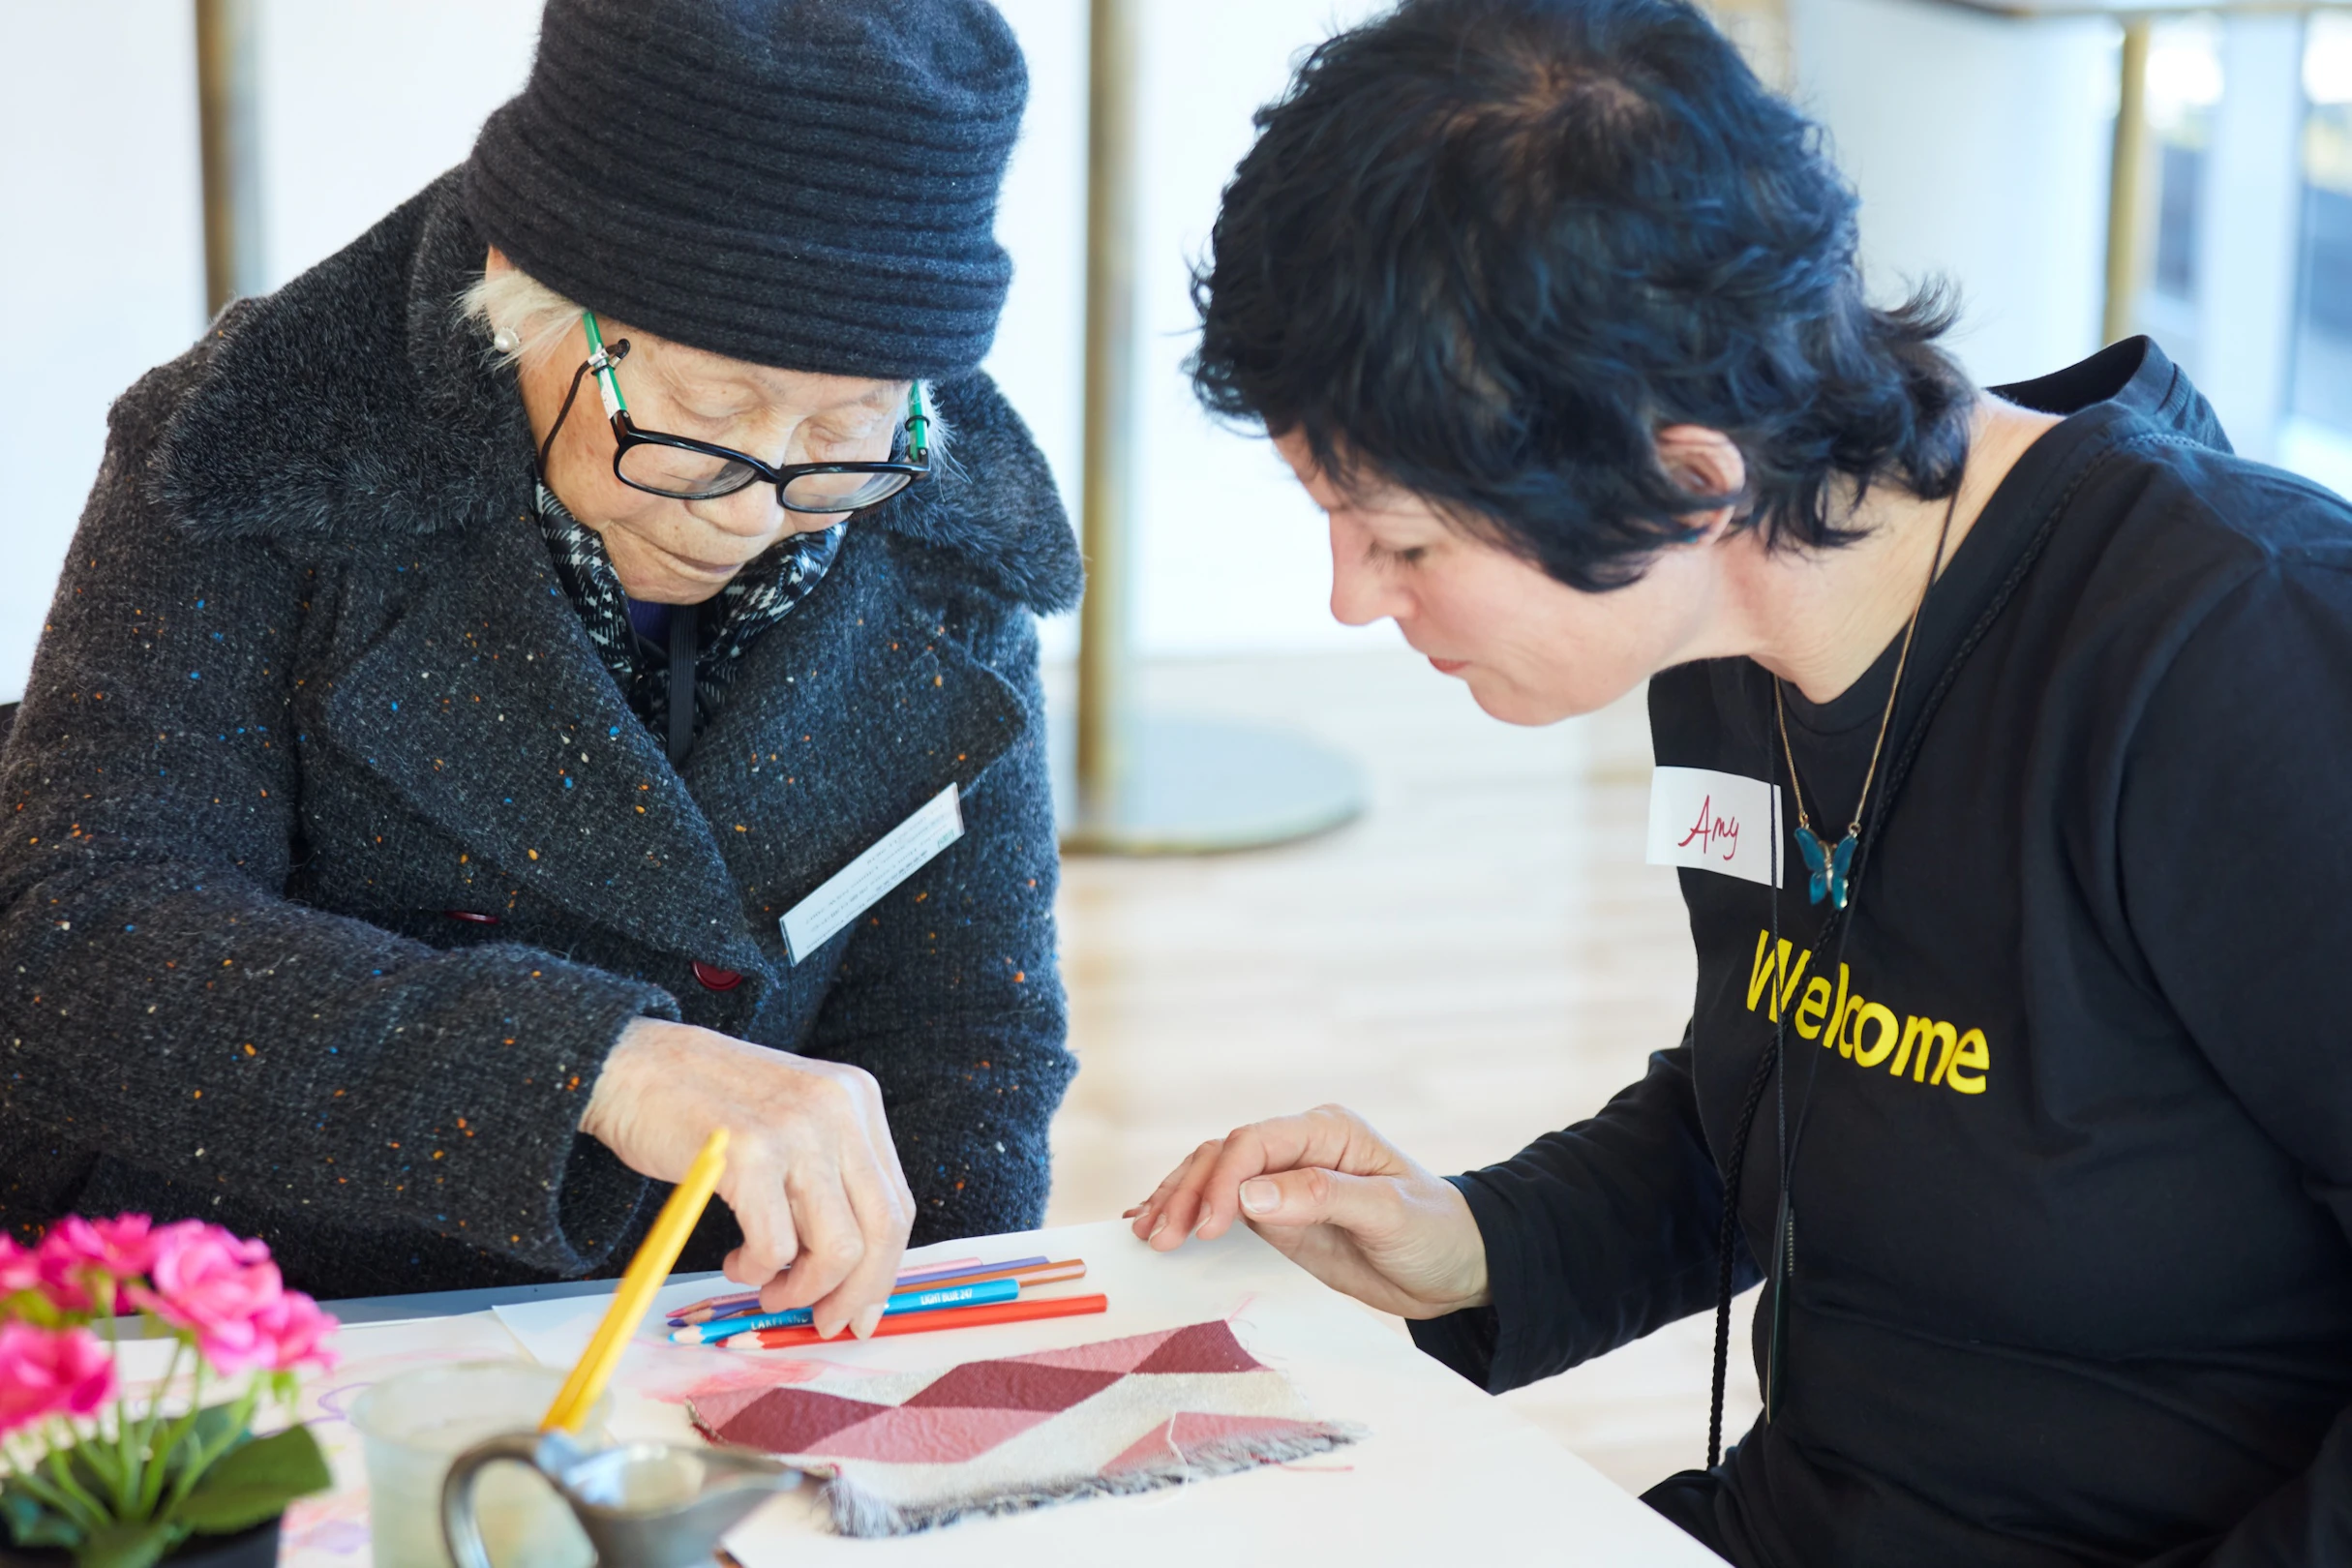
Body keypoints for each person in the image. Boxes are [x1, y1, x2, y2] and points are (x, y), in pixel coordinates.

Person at [1129, 1, 2352, 1563]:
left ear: (1687, 478)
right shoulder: (1735, 633)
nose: (1349, 601)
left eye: (1405, 538)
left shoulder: (2242, 657)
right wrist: (1476, 1245)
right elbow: (1807, 1104)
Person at [0, 0, 1081, 1341]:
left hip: (704, 1338)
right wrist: (594, 1069)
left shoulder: (938, 528)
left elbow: (963, 1030)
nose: (754, 510)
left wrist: (915, 1370)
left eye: (846, 426)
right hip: (248, 1330)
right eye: (704, 416)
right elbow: (74, 944)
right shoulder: (255, 455)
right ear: (527, 287)